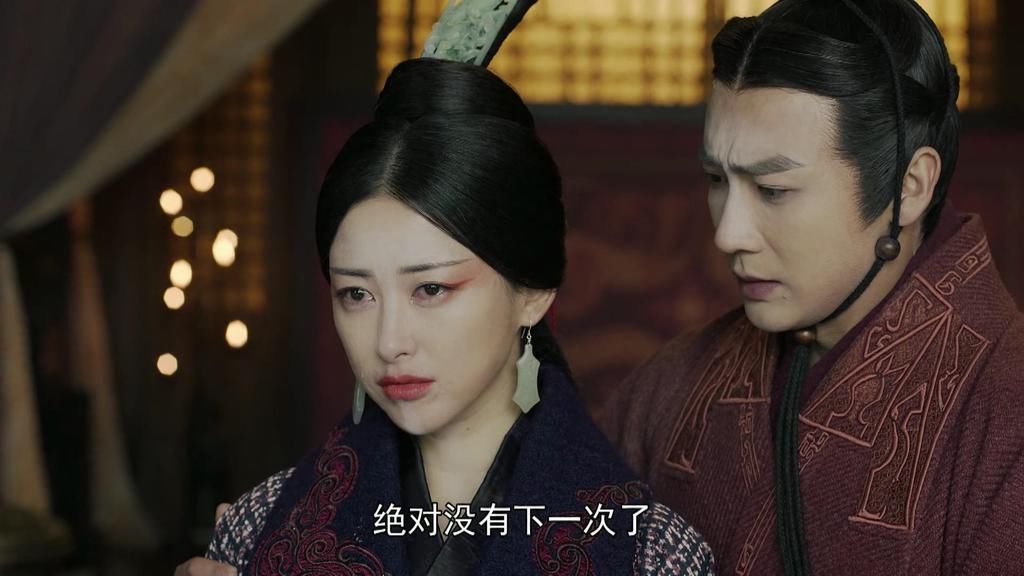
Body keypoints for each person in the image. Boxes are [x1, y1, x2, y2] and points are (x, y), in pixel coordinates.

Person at [175, 57, 714, 576]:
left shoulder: (650, 554)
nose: (389, 342)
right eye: (356, 294)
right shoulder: (259, 526)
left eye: (431, 289)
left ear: (532, 293)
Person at [601, 0, 1024, 574]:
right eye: (717, 179)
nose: (728, 234)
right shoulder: (674, 382)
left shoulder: (1004, 409)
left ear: (909, 187)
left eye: (773, 190)